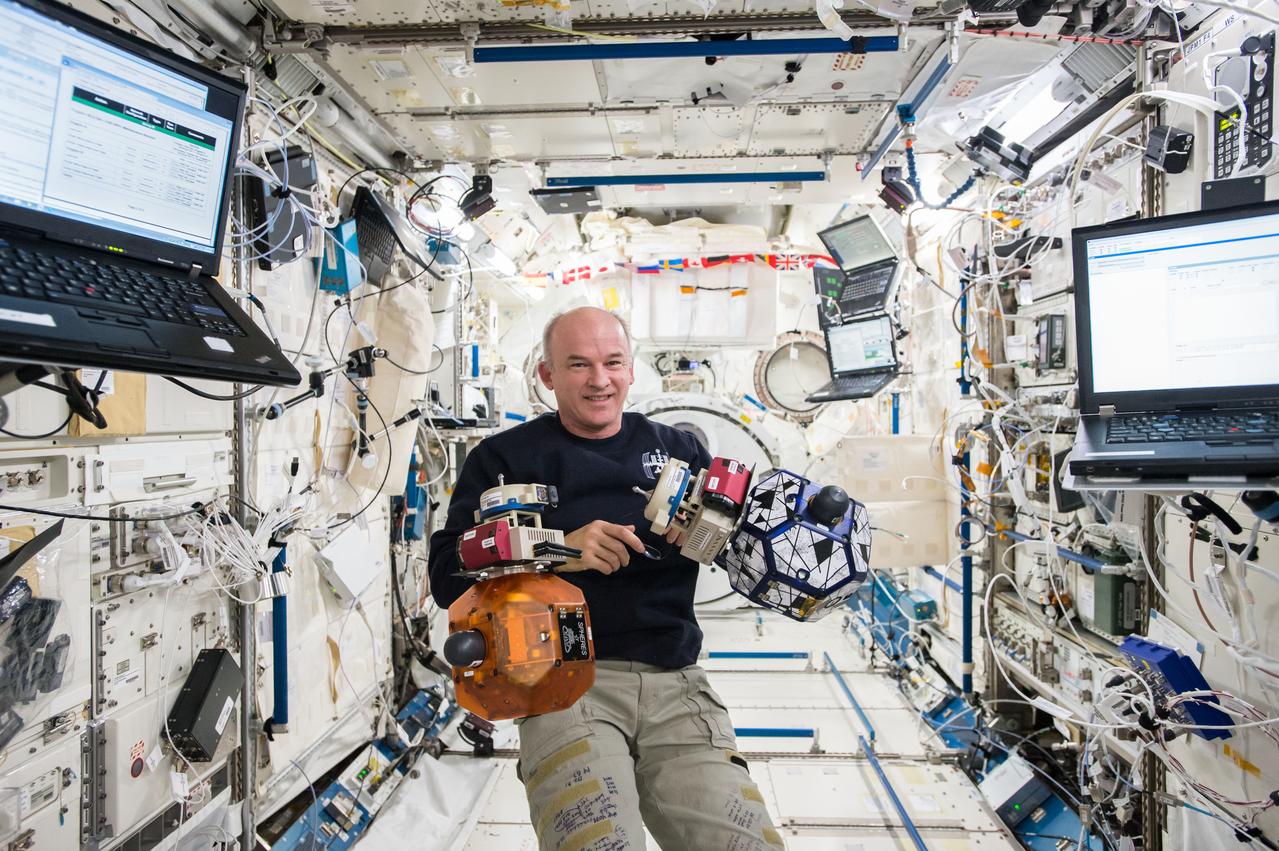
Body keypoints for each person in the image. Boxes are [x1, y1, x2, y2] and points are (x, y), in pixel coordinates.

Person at [428, 306, 784, 850]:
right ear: (547, 375)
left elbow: (732, 546)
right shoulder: (504, 459)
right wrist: (555, 549)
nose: (600, 380)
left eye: (613, 362)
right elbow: (445, 575)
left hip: (676, 684)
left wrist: (770, 542)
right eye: (578, 365)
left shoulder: (680, 450)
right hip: (561, 683)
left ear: (632, 367)